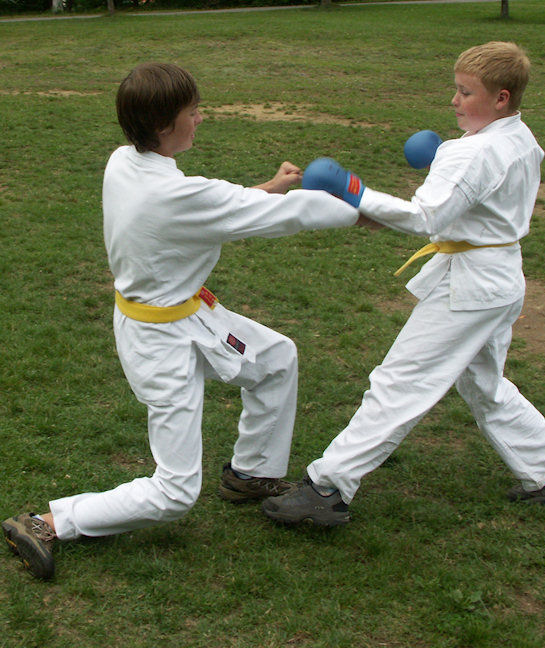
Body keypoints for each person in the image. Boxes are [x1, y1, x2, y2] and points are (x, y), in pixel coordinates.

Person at [2, 62, 359, 579]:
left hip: (190, 315)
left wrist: (271, 186)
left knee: (277, 358)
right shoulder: (172, 194)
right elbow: (278, 214)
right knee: (174, 491)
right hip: (157, 342)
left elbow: (219, 207)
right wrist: (361, 206)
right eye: (193, 112)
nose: (200, 118)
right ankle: (44, 523)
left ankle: (250, 474)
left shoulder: (124, 160)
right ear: (164, 124)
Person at [262, 41, 545, 527]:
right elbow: (475, 192)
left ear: (501, 97)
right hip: (499, 276)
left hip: (470, 287)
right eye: (455, 89)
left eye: (466, 93)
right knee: (483, 383)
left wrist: (354, 191)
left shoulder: (475, 152)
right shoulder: (518, 137)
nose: (454, 101)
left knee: (401, 381)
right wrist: (444, 159)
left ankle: (328, 487)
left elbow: (426, 217)